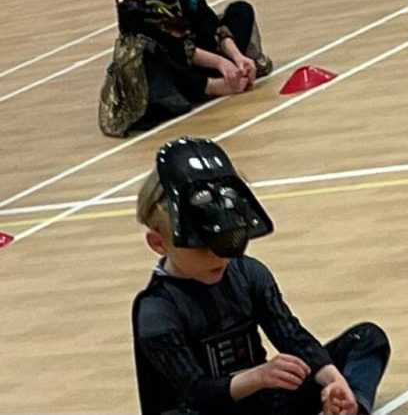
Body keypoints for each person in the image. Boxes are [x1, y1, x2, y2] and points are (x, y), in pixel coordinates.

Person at [132, 137, 391, 415]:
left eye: (229, 241)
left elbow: (291, 335)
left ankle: (350, 410)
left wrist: (333, 380)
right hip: (202, 408)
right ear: (159, 243)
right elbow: (194, 392)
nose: (220, 256)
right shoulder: (157, 310)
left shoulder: (248, 272)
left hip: (258, 402)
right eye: (204, 247)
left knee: (367, 338)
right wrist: (258, 377)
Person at [98, 0, 272, 136]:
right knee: (148, 52)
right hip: (178, 71)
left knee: (240, 10)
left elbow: (207, 21)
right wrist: (220, 63)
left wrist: (236, 57)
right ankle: (214, 86)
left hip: (203, 56)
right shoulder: (132, 7)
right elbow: (174, 47)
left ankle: (231, 74)